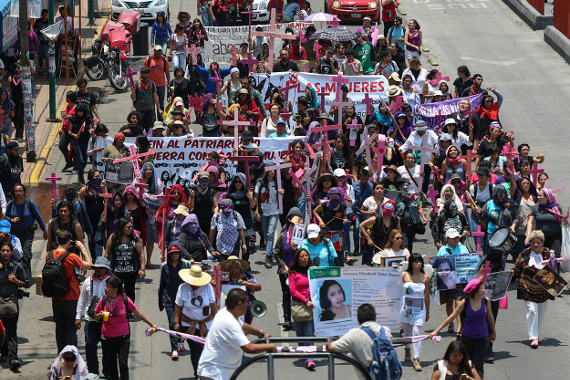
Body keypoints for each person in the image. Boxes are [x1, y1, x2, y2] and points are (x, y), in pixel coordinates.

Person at [197, 288, 276, 379]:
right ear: (239, 304)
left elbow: (243, 326)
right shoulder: (230, 323)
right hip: (215, 374)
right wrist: (270, 347)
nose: (247, 305)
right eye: (246, 302)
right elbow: (248, 348)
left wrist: (260, 333)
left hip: (218, 372)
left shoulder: (224, 312)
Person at [429, 277, 496, 379]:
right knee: (467, 365)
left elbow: (490, 317)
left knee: (479, 365)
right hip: (467, 338)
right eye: (482, 289)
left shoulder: (486, 301)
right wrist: (436, 331)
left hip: (483, 337)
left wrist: (494, 332)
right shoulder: (465, 302)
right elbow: (452, 316)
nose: (484, 290)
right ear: (475, 291)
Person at [93, 276, 157, 380]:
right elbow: (95, 316)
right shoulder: (103, 300)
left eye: (108, 287)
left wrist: (151, 324)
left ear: (115, 289)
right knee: (112, 364)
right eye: (105, 286)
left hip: (123, 337)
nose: (105, 288)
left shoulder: (125, 299)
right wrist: (100, 315)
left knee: (123, 363)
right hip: (107, 337)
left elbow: (138, 313)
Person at [47, 230, 94, 354]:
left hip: (56, 297)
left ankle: (61, 356)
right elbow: (89, 265)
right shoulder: (72, 256)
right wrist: (83, 249)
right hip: (71, 296)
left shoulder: (49, 255)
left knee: (60, 329)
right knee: (71, 329)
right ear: (69, 241)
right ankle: (71, 357)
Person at [326, 303, 393, 380]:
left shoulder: (355, 334)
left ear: (358, 319)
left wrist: (329, 343)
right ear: (375, 317)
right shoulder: (385, 330)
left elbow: (332, 348)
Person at [513, 230, 555, 348]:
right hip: (527, 286)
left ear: (542, 243)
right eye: (533, 242)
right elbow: (516, 268)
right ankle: (533, 337)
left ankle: (536, 333)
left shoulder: (548, 253)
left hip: (543, 288)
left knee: (540, 312)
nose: (535, 245)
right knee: (532, 310)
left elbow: (555, 268)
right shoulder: (525, 254)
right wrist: (509, 274)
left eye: (538, 242)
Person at [174, 264, 216, 376]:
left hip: (206, 324)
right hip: (188, 324)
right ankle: (197, 373)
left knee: (206, 350)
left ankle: (206, 373)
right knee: (196, 348)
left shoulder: (208, 287)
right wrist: (177, 322)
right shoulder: (182, 288)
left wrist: (217, 322)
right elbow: (178, 306)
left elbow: (213, 305)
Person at [75, 257, 114, 378]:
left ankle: (108, 372)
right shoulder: (88, 281)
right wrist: (78, 317)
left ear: (106, 269)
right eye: (97, 268)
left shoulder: (113, 281)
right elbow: (82, 299)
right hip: (91, 320)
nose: (99, 270)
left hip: (107, 321)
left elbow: (119, 299)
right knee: (90, 347)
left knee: (107, 349)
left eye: (102, 268)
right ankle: (92, 373)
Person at [158, 242, 191, 359]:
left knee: (182, 323)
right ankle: (174, 349)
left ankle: (180, 342)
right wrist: (160, 302)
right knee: (173, 323)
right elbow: (161, 285)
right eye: (172, 254)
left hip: (183, 299)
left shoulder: (186, 265)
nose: (174, 255)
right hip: (169, 299)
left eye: (177, 253)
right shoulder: (164, 266)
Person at [398, 253, 430, 370]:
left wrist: (427, 312)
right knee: (407, 333)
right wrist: (393, 268)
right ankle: (407, 350)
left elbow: (427, 295)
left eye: (420, 261)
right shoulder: (404, 275)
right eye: (416, 261)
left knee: (416, 332)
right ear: (411, 263)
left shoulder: (426, 277)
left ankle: (416, 359)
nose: (418, 264)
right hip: (406, 308)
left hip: (419, 309)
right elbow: (388, 280)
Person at [104, 218, 145, 307]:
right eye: (128, 227)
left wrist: (142, 269)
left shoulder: (135, 238)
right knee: (116, 290)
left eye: (131, 227)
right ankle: (117, 308)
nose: (131, 229)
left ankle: (129, 310)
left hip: (131, 270)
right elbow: (107, 253)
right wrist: (102, 266)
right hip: (116, 270)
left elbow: (141, 253)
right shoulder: (113, 237)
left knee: (130, 290)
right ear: (122, 228)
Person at [287, 248, 317, 370]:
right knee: (300, 332)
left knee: (309, 333)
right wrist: (305, 300)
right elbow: (293, 291)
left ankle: (310, 358)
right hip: (299, 304)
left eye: (306, 255)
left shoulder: (314, 269)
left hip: (312, 305)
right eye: (302, 256)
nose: (305, 258)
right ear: (297, 259)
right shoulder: (293, 272)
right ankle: (302, 351)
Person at [0, 241, 25, 371]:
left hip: (12, 304)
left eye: (7, 250)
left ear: (11, 252)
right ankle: (3, 353)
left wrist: (16, 281)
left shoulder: (17, 266)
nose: (5, 253)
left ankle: (13, 358)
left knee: (12, 331)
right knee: (1, 331)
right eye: (3, 250)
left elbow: (25, 283)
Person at [313, 187, 352, 266]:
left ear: (339, 196)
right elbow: (315, 211)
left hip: (338, 233)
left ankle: (339, 270)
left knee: (338, 253)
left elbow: (344, 216)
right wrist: (320, 221)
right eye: (332, 196)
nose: (334, 198)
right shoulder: (325, 205)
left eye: (336, 196)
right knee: (326, 252)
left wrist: (345, 220)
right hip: (327, 232)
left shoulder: (343, 205)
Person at [525, 188, 568, 257]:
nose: (538, 197)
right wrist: (528, 236)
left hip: (555, 237)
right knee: (540, 258)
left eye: (540, 196)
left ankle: (556, 268)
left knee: (555, 257)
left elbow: (561, 221)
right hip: (540, 238)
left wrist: (565, 218)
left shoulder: (556, 207)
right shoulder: (536, 207)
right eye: (538, 195)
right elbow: (530, 221)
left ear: (547, 198)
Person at [221, 255, 261, 324]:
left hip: (246, 307)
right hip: (228, 307)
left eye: (236, 267)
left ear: (240, 268)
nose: (234, 270)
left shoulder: (246, 276)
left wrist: (247, 284)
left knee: (243, 328)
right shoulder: (224, 277)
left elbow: (258, 287)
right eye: (231, 268)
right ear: (228, 269)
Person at [359, 199, 401, 265]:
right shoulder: (376, 218)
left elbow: (399, 232)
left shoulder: (396, 219)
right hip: (378, 247)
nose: (387, 216)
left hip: (392, 247)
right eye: (385, 213)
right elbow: (361, 225)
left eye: (389, 214)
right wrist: (369, 239)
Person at [254, 168, 280, 268]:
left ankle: (268, 256)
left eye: (273, 170)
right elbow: (256, 197)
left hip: (274, 211)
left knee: (270, 233)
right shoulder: (260, 183)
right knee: (265, 234)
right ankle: (270, 251)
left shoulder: (278, 182)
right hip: (263, 211)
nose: (273, 172)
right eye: (270, 170)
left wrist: (281, 192)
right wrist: (256, 211)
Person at [143, 46, 170, 121]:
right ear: (154, 51)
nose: (158, 52)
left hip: (161, 85)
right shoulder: (148, 59)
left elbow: (167, 72)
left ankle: (161, 120)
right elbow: (143, 71)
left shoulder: (164, 60)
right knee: (151, 105)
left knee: (161, 104)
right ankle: (153, 120)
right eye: (157, 51)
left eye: (160, 51)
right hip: (150, 86)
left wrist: (168, 83)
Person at [131, 67, 162, 132]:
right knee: (139, 130)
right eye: (144, 72)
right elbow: (133, 98)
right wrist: (133, 91)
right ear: (141, 73)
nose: (146, 74)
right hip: (139, 110)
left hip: (150, 110)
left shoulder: (152, 84)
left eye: (147, 72)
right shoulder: (137, 84)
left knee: (150, 131)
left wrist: (159, 108)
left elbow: (155, 96)